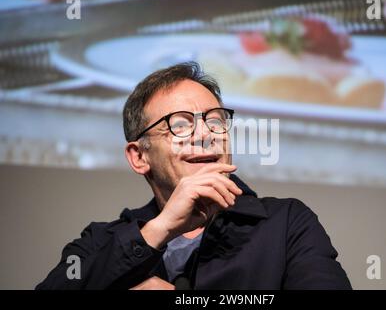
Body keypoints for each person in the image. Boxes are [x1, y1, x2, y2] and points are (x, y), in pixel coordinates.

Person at [36, 62, 352, 290]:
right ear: (139, 156)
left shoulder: (285, 224)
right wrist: (158, 231)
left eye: (216, 121)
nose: (205, 134)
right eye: (180, 124)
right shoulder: (100, 241)